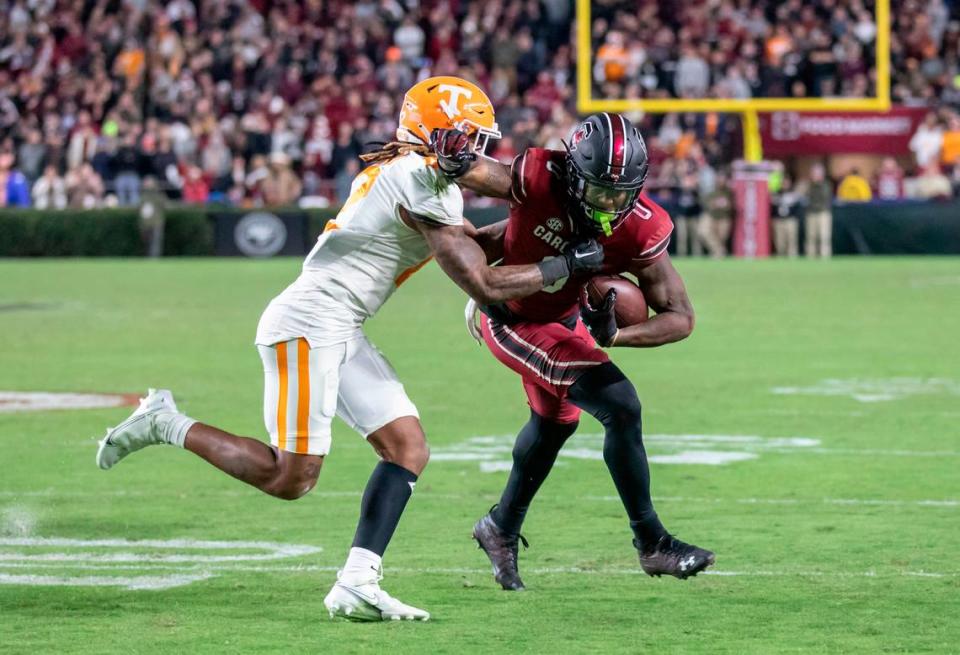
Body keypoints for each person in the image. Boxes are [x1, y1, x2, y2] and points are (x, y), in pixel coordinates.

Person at [94, 77, 603, 622]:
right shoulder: (416, 175)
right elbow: (483, 283)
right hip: (309, 324)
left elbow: (474, 241)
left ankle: (357, 582)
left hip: (341, 325)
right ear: (436, 132)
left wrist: (553, 224)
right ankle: (165, 422)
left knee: (408, 448)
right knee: (290, 478)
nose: (476, 149)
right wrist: (564, 262)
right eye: (467, 135)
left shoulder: (421, 175)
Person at [430, 112, 715, 591]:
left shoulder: (640, 226)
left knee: (555, 423)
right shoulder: (541, 175)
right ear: (575, 174)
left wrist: (616, 335)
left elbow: (681, 316)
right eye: (602, 190)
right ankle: (652, 543)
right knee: (620, 404)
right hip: (513, 318)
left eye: (623, 193)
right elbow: (484, 172)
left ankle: (499, 527)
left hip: (562, 323)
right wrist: (457, 160)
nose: (612, 203)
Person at [802, 163, 832, 258]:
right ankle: (810, 257)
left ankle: (824, 257)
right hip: (811, 213)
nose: (814, 175)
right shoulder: (809, 185)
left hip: (823, 213)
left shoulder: (825, 185)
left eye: (816, 173)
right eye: (813, 173)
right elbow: (803, 195)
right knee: (811, 237)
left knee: (824, 237)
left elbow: (824, 199)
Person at [771, 176, 801, 257]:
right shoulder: (776, 194)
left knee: (791, 240)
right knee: (779, 241)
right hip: (779, 220)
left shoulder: (793, 193)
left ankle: (792, 257)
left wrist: (795, 218)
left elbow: (797, 207)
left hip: (790, 220)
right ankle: (780, 256)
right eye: (783, 183)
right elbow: (772, 208)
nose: (785, 185)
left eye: (786, 183)